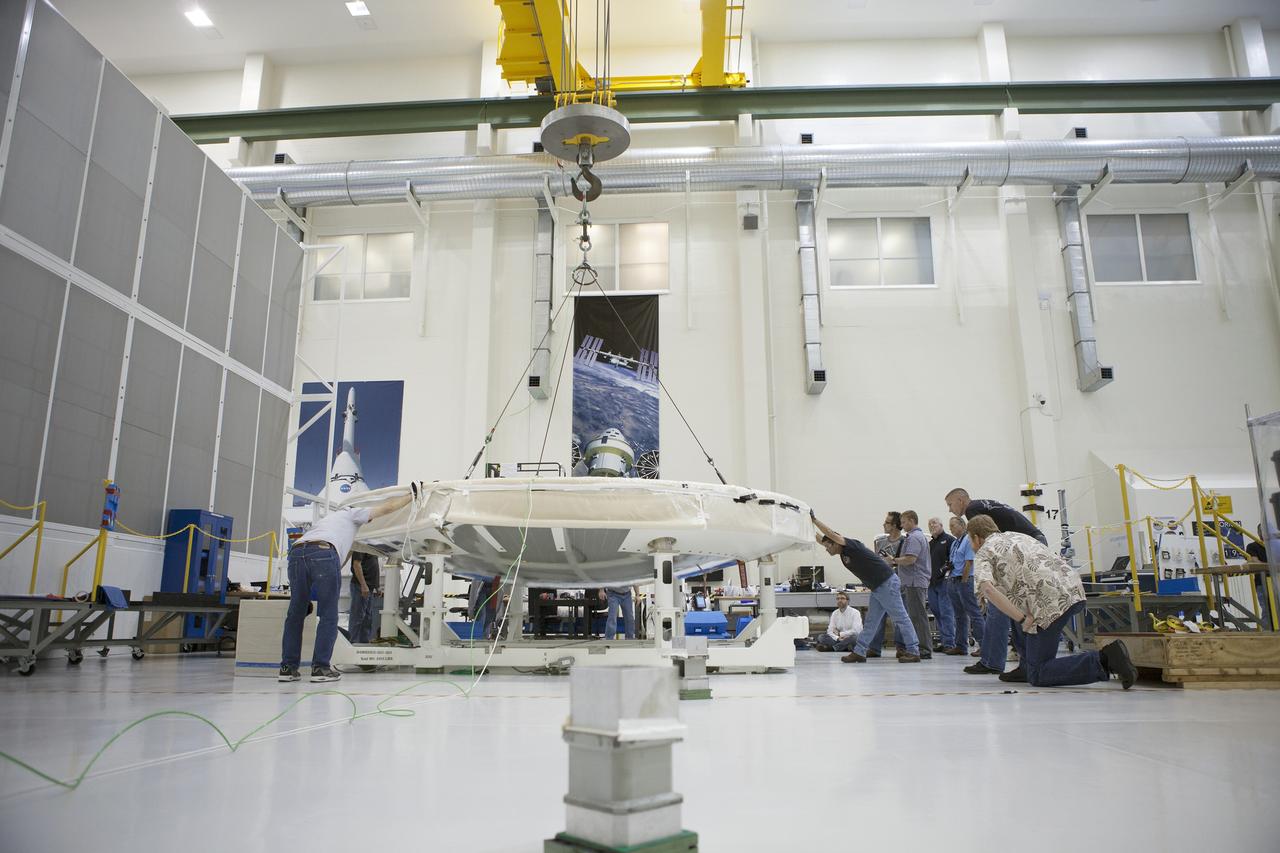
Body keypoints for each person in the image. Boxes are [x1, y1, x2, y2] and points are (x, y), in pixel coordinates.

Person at [967, 514, 1137, 689]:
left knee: (1039, 674)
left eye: (970, 541)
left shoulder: (984, 550)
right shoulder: (1018, 536)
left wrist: (1022, 619)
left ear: (976, 538)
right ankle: (1026, 667)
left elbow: (987, 589)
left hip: (1048, 605)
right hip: (1071, 590)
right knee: (1018, 613)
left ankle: (1105, 659)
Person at [280, 489, 414, 683]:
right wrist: (411, 496)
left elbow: (338, 559)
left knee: (295, 613)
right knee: (328, 614)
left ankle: (287, 668)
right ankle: (320, 668)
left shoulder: (327, 522)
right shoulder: (352, 514)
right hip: (324, 553)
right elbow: (386, 508)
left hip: (297, 552)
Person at [945, 487, 1045, 681]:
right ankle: (998, 661)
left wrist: (985, 583)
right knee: (1003, 607)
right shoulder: (982, 504)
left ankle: (995, 662)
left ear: (961, 499)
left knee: (1001, 607)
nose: (950, 509)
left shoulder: (972, 510)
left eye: (950, 504)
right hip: (1032, 543)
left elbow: (984, 539)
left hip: (1028, 548)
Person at [812, 514, 921, 663]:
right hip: (877, 586)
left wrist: (814, 520)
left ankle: (913, 651)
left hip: (886, 583)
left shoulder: (851, 545)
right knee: (871, 621)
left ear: (835, 543)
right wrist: (805, 525)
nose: (826, 550)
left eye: (828, 546)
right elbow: (823, 539)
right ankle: (860, 651)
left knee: (901, 618)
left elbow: (830, 534)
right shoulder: (842, 552)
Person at [886, 510, 934, 660]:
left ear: (912, 521)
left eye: (904, 522)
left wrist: (893, 560)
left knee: (918, 617)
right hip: (914, 581)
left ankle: (924, 649)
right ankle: (920, 647)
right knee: (916, 616)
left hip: (914, 581)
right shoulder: (917, 537)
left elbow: (910, 559)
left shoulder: (914, 538)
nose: (902, 525)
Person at [946, 516, 986, 659]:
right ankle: (960, 645)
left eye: (953, 525)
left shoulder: (968, 540)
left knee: (974, 613)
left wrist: (963, 580)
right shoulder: (955, 542)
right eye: (950, 526)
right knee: (959, 615)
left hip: (965, 580)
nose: (951, 529)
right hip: (953, 579)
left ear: (962, 525)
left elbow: (969, 562)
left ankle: (984, 645)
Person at [927, 517, 958, 654]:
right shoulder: (930, 544)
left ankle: (950, 643)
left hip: (945, 583)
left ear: (941, 525)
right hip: (931, 583)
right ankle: (944, 640)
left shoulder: (949, 540)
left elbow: (953, 561)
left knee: (946, 613)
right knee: (937, 612)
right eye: (929, 524)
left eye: (934, 523)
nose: (932, 525)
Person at [347, 551, 381, 644]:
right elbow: (356, 564)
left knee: (367, 617)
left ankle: (364, 643)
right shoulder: (361, 546)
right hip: (360, 586)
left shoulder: (372, 546)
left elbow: (374, 566)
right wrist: (363, 585)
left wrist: (377, 586)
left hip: (369, 587)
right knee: (358, 616)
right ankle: (352, 642)